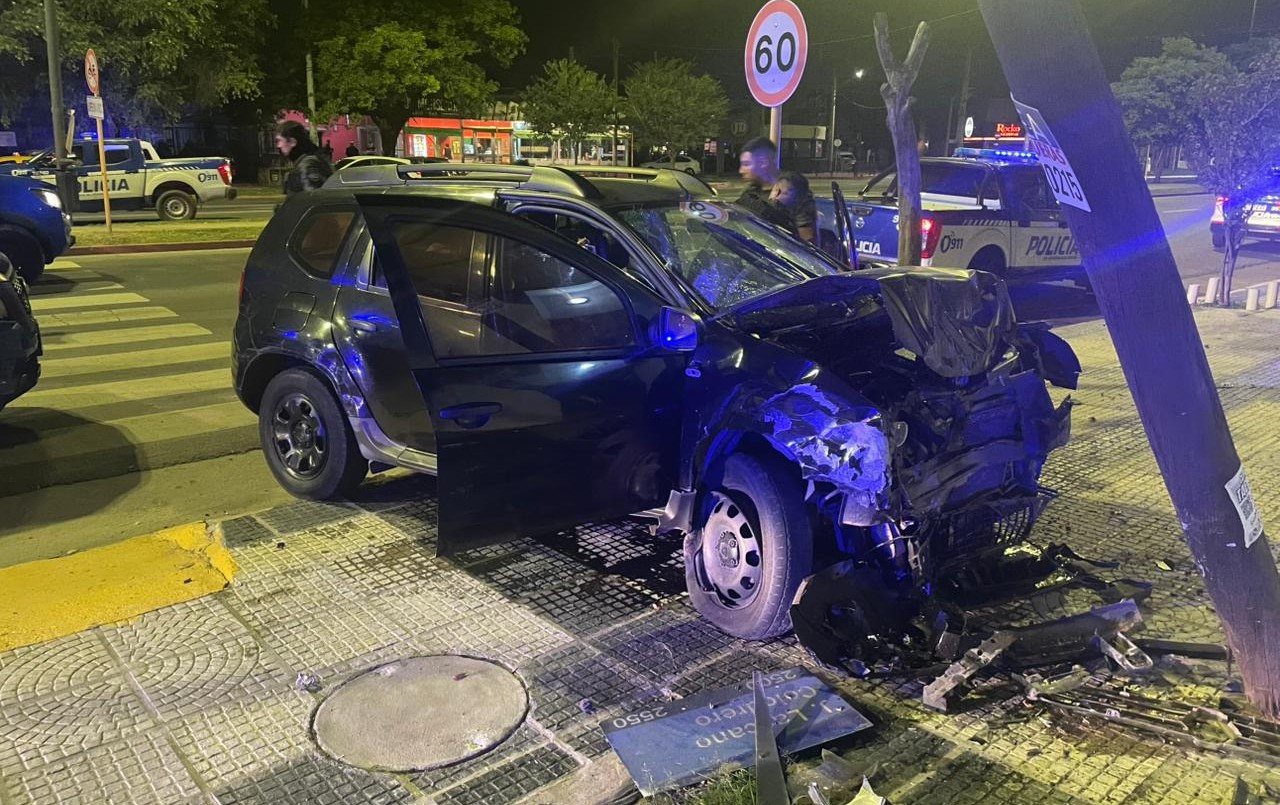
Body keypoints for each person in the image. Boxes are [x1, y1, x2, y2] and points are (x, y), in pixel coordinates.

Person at [735, 136, 795, 233]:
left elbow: (806, 243)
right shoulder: (750, 193)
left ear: (763, 162)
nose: (741, 170)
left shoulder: (794, 194)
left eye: (746, 164)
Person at [275, 121, 332, 196]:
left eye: (279, 141)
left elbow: (311, 200)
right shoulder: (305, 162)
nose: (278, 146)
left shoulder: (307, 166)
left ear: (293, 142)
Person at [769, 171, 818, 244]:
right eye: (776, 191)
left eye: (785, 193)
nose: (777, 197)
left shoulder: (803, 219)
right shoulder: (770, 209)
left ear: (797, 197)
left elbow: (806, 245)